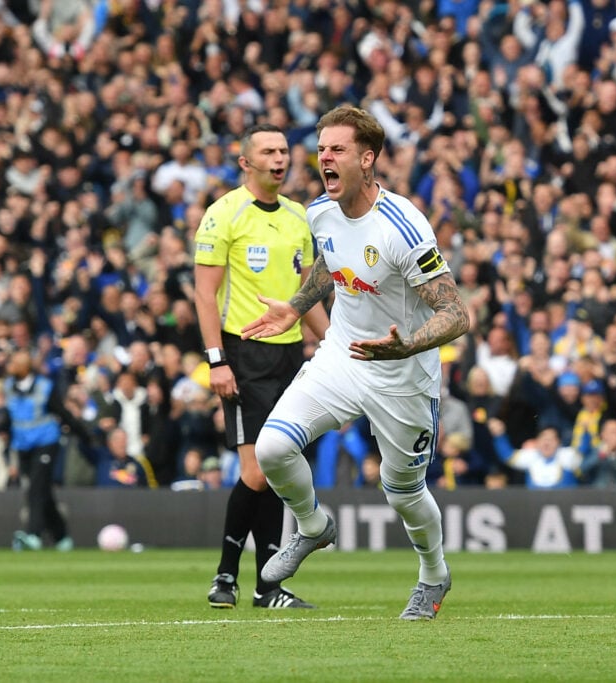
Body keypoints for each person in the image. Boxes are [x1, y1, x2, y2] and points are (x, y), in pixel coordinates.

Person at [243, 106, 470, 620]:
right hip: (342, 355)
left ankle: (434, 574)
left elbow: (457, 312)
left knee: (404, 494)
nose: (324, 157)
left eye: (337, 149)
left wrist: (407, 345)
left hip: (403, 377)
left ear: (367, 159)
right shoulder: (320, 211)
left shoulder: (404, 226)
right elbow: (329, 263)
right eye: (321, 148)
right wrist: (296, 308)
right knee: (273, 447)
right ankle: (313, 525)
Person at [194, 123, 329, 610]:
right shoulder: (223, 214)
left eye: (284, 150)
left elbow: (306, 296)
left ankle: (266, 586)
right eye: (268, 151)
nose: (279, 158)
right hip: (244, 355)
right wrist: (217, 361)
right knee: (255, 470)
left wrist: (333, 344)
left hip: (291, 356)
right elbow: (204, 293)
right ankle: (226, 576)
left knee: (276, 468)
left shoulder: (298, 217)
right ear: (245, 162)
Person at [3, 350, 94, 551]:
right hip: (23, 446)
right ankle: (61, 537)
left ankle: (33, 535)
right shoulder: (8, 387)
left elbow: (62, 412)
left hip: (46, 442)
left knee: (35, 488)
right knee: (43, 491)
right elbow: (10, 416)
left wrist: (84, 434)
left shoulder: (44, 387)